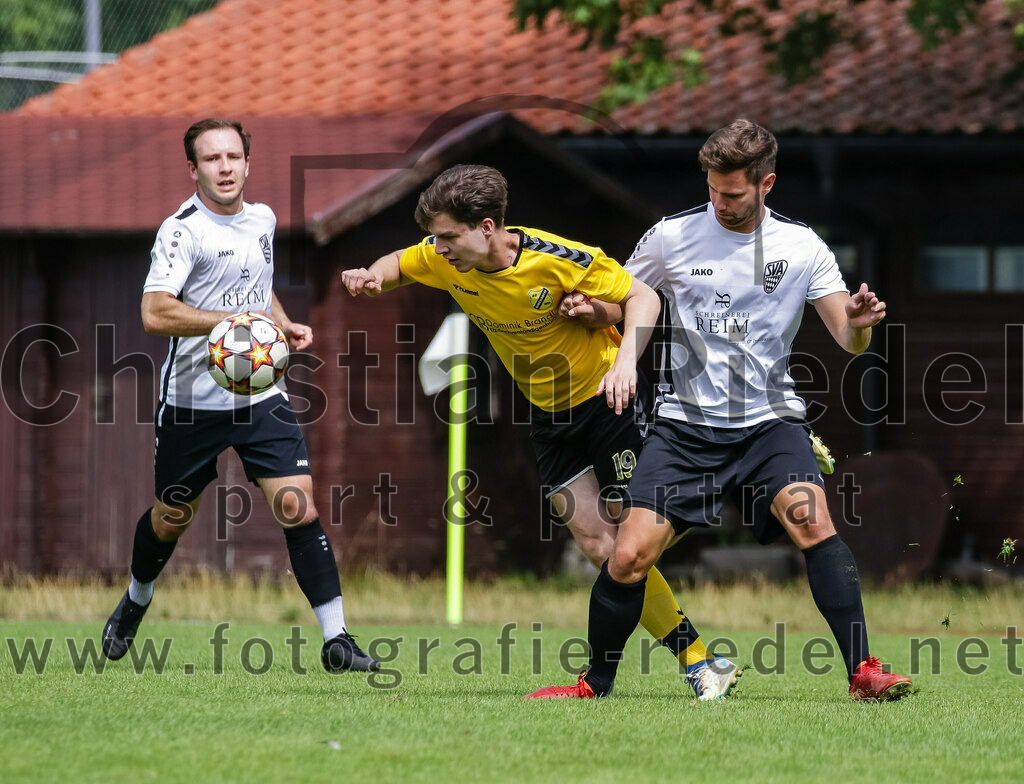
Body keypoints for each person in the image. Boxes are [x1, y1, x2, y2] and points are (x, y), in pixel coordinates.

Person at [527, 119, 913, 701]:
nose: (720, 203)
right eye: (712, 189)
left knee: (813, 522)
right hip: (683, 427)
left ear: (767, 183)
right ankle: (594, 684)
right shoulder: (670, 236)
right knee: (628, 555)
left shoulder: (803, 247)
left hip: (769, 423)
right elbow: (628, 302)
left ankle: (864, 671)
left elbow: (846, 335)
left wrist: (859, 327)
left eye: (733, 193)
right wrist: (595, 312)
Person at [341, 164, 741, 699]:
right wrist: (372, 274)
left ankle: (734, 468)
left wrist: (625, 362)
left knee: (630, 541)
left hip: (608, 402)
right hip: (548, 417)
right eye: (433, 238)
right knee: (602, 547)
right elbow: (399, 262)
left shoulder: (557, 258)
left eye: (447, 236)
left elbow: (644, 298)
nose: (437, 248)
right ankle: (699, 661)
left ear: (486, 227)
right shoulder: (445, 258)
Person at [101, 118, 379, 674]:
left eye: (232, 157)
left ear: (248, 163)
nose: (224, 167)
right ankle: (136, 598)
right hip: (191, 403)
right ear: (194, 169)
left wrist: (282, 323)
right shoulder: (181, 231)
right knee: (171, 518)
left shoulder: (263, 220)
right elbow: (154, 312)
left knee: (298, 503)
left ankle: (337, 639)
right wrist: (232, 321)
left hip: (258, 395)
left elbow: (256, 285)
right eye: (211, 159)